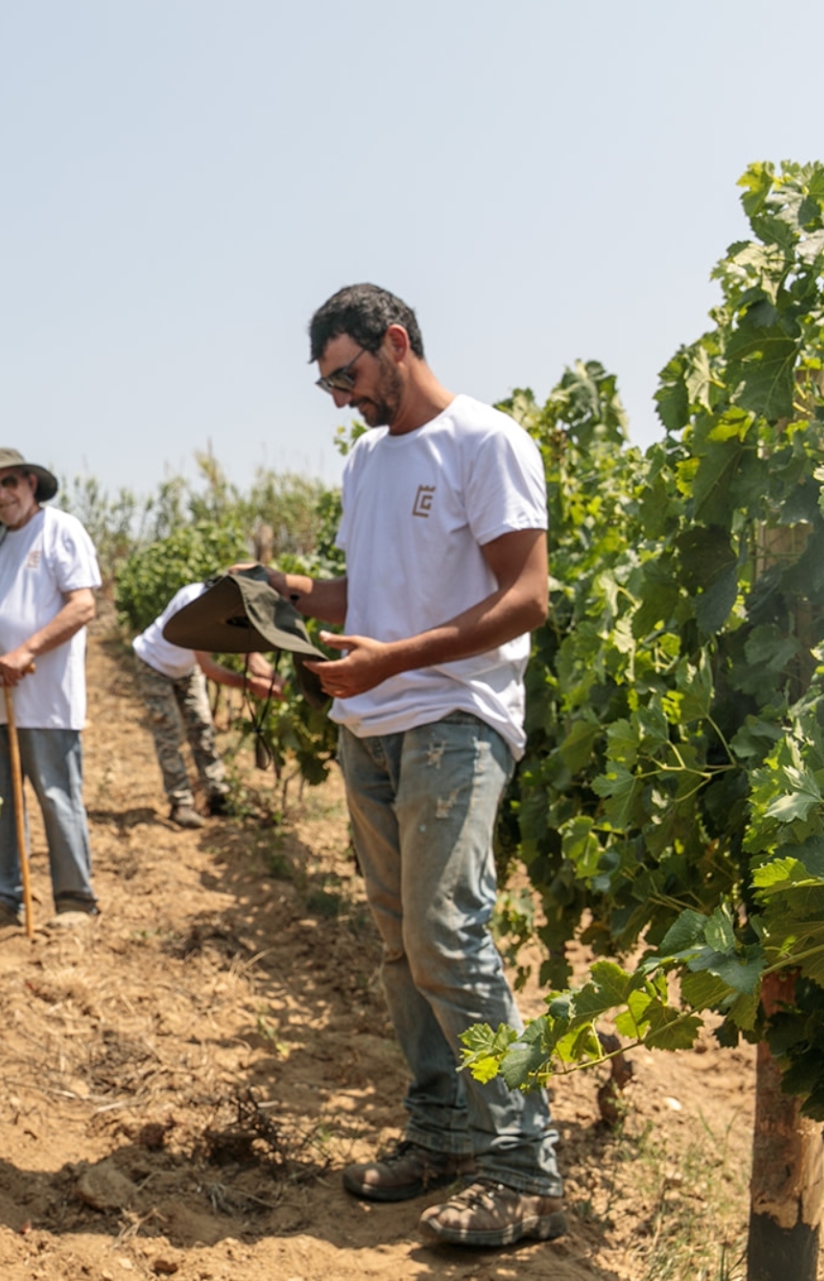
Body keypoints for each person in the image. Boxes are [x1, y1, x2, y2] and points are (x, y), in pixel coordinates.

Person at [265, 283, 565, 1247]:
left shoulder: (487, 443)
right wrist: (296, 595)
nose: (343, 397)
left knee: (446, 933)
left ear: (397, 342)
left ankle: (527, 1170)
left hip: (455, 718)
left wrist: (392, 658)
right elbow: (372, 585)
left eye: (348, 374)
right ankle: (440, 1135)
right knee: (401, 943)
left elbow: (527, 597)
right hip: (372, 726)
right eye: (329, 386)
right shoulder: (364, 462)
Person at [0, 449, 102, 930]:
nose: (0, 495)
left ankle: (75, 902)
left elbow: (82, 606)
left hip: (44, 700)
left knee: (56, 798)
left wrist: (26, 651)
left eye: (8, 482)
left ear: (31, 483)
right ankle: (2, 899)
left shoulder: (60, 529)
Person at [129, 576, 280, 827]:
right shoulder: (196, 603)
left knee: (202, 727)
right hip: (154, 663)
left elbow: (250, 657)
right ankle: (181, 804)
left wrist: (278, 682)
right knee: (168, 730)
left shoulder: (232, 606)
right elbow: (210, 668)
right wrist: (252, 685)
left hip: (186, 669)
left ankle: (217, 796)